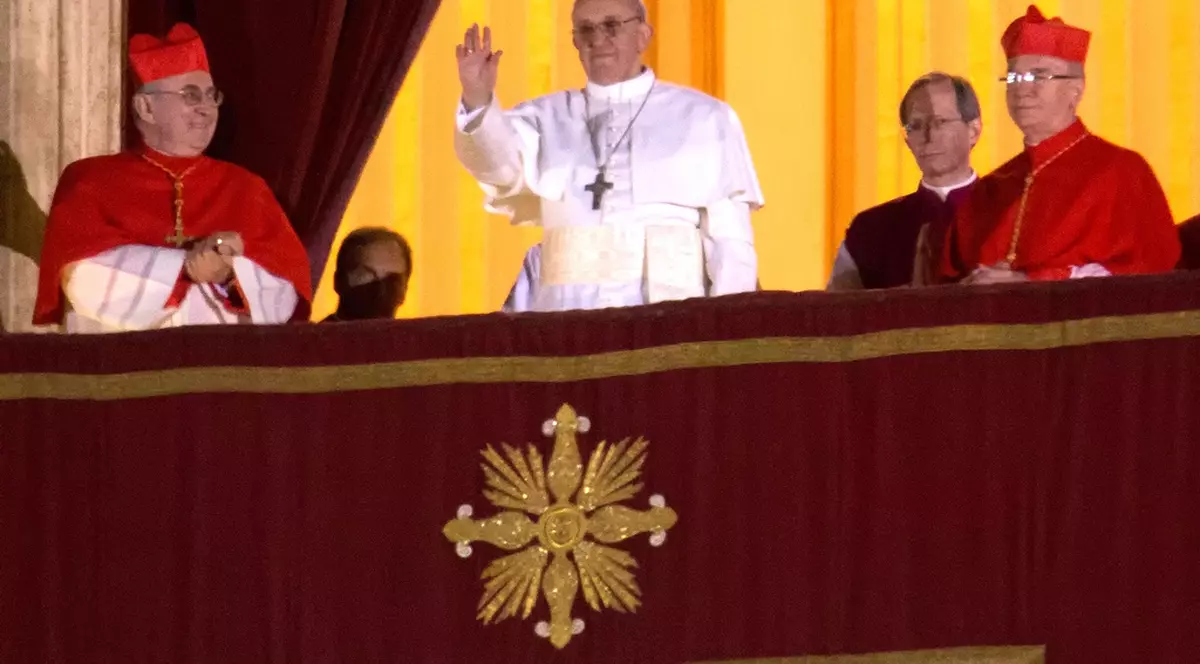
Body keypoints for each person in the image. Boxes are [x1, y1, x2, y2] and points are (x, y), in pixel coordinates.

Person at [453, 0, 762, 312]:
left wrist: (728, 332)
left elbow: (731, 243)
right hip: (565, 321)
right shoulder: (542, 117)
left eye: (612, 26)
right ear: (575, 41)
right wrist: (477, 99)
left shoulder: (706, 117)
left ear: (643, 35)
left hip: (671, 322)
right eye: (585, 29)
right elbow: (496, 167)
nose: (597, 39)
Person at [33, 23, 311, 332]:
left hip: (225, 369)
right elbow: (83, 277)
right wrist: (186, 267)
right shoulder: (90, 181)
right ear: (146, 107)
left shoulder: (247, 188)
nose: (206, 109)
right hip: (122, 369)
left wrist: (231, 273)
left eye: (211, 95)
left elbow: (285, 292)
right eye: (190, 96)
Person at [938, 5, 1179, 285]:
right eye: (1014, 77)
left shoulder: (1122, 171)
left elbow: (1147, 271)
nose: (1022, 89)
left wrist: (1030, 282)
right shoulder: (989, 190)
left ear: (1075, 89)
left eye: (1038, 76)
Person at [828, 72, 981, 290]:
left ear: (974, 131)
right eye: (916, 126)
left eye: (940, 122)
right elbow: (838, 314)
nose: (929, 137)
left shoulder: (1009, 213)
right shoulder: (869, 229)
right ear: (908, 141)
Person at [323, 227, 412, 321]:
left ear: (404, 290)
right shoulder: (315, 335)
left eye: (392, 279)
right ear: (339, 280)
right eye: (367, 275)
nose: (380, 289)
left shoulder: (410, 335)